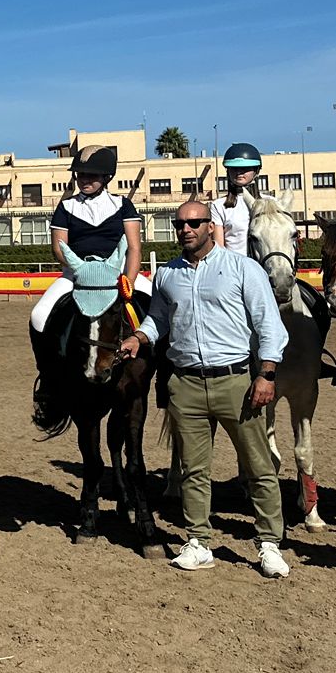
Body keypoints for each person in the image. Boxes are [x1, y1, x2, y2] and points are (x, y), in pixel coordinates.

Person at [119, 200, 290, 578]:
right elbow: (159, 319)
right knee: (193, 469)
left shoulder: (243, 269)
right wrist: (139, 337)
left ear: (211, 226)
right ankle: (198, 541)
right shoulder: (166, 275)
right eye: (180, 223)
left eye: (195, 222)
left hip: (236, 381)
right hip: (186, 383)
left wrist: (267, 374)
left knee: (258, 467)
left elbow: (269, 325)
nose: (186, 229)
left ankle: (269, 544)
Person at [29, 146, 146, 414]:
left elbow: (134, 247)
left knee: (157, 306)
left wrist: (129, 279)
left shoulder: (122, 205)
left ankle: (165, 374)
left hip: (117, 274)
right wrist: (81, 270)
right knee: (39, 315)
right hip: (77, 274)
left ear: (106, 177)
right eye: (80, 174)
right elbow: (59, 247)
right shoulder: (66, 206)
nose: (84, 179)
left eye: (92, 175)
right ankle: (48, 376)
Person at [210, 143, 264, 255]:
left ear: (256, 171)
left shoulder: (271, 202)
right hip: (234, 267)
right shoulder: (218, 206)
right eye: (234, 169)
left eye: (245, 169)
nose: (239, 172)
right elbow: (219, 249)